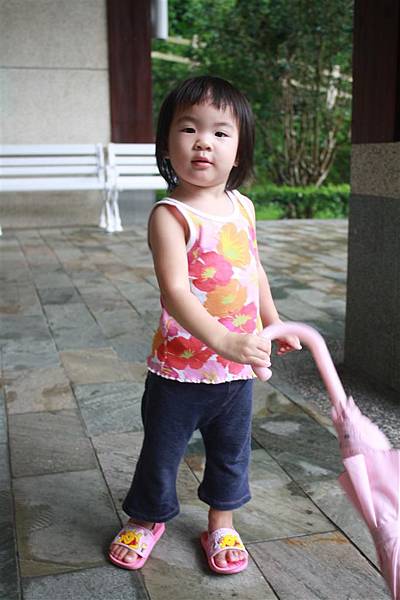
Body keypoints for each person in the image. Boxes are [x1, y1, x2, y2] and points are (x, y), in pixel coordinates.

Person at [109, 75, 301, 574]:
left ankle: (221, 522)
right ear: (166, 144)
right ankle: (147, 517)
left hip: (235, 371)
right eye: (189, 128)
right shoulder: (170, 216)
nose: (203, 142)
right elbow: (175, 292)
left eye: (220, 132)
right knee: (162, 450)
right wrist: (223, 339)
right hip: (181, 369)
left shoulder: (243, 207)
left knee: (231, 452)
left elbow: (253, 269)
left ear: (239, 152)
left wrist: (273, 321)